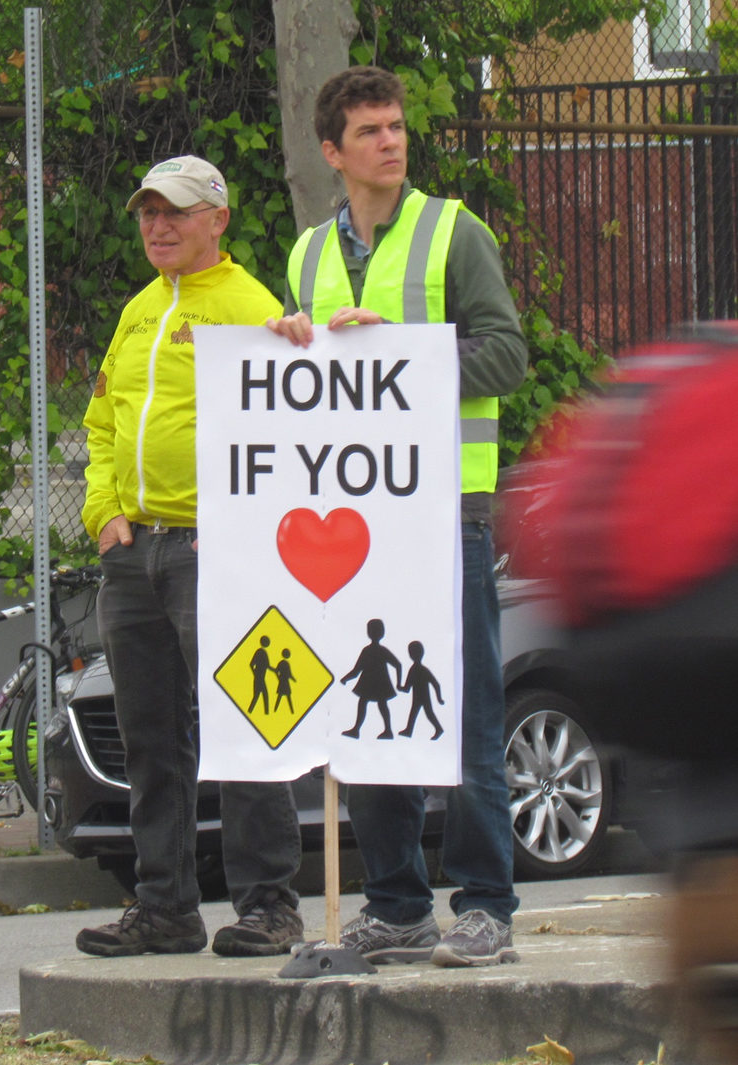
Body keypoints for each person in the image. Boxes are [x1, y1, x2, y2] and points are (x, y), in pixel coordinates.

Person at [267, 66, 527, 967]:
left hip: (448, 510)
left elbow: (508, 356)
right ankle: (397, 904)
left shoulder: (454, 234)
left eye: (397, 125)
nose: (392, 140)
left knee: (468, 715)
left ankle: (486, 903)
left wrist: (414, 354)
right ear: (331, 152)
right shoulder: (305, 255)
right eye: (371, 130)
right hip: (356, 517)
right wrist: (289, 340)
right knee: (368, 711)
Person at [77, 155, 304, 959]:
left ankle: (270, 904)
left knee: (246, 722)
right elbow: (102, 424)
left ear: (219, 217)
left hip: (215, 551)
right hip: (134, 552)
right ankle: (167, 904)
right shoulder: (138, 310)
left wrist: (244, 519)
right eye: (146, 213)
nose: (157, 227)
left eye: (174, 212)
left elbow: (289, 427)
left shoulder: (252, 306)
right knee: (151, 734)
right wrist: (104, 513)